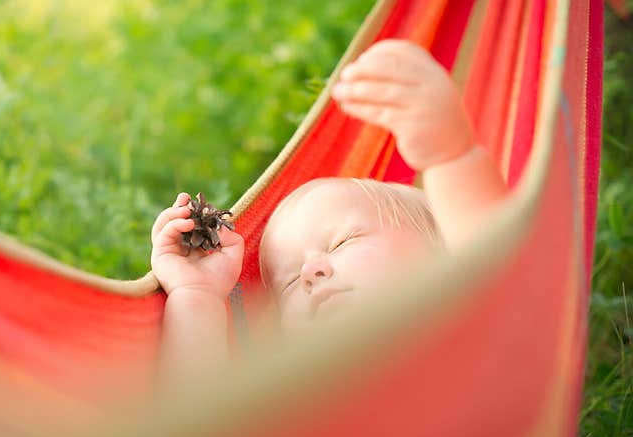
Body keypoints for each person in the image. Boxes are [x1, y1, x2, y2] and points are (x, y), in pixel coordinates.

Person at [150, 39, 508, 379]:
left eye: (342, 242)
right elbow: (204, 432)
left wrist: (449, 156)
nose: (310, 273)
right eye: (288, 284)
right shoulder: (304, 403)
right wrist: (197, 296)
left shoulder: (474, 318)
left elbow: (494, 250)